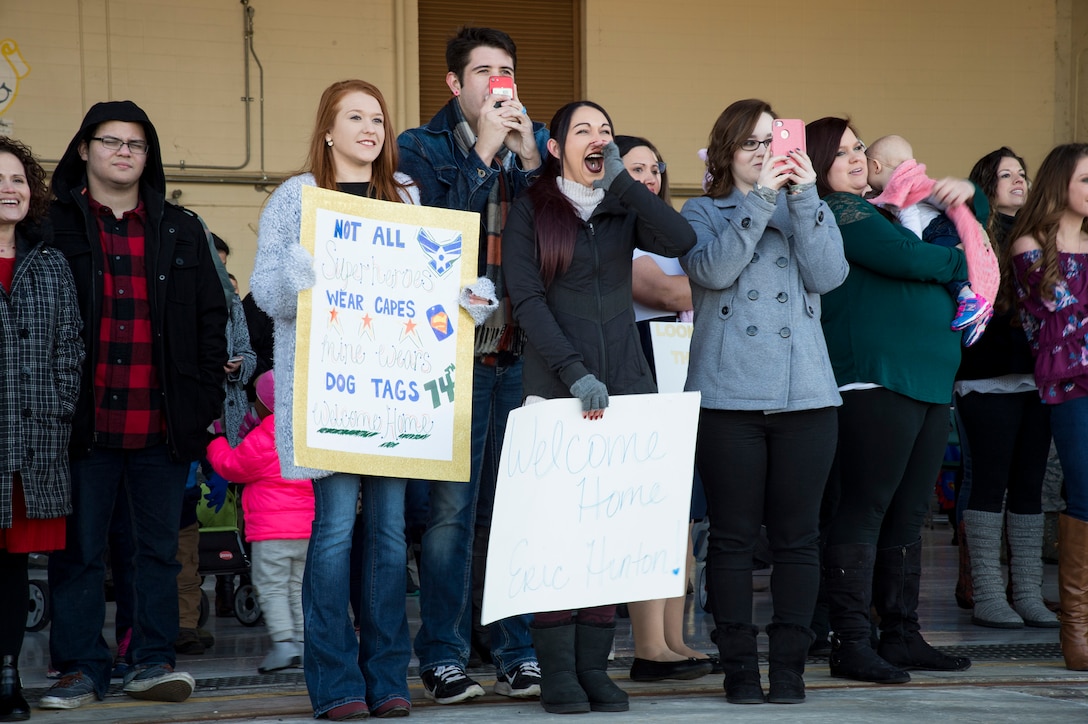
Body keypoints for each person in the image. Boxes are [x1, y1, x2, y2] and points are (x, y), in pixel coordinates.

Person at [502, 100, 696, 714]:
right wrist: (575, 373)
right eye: (582, 131)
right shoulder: (532, 208)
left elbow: (681, 238)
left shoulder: (619, 205)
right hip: (559, 392)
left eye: (604, 131)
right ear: (554, 147)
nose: (596, 138)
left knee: (611, 536)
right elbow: (526, 300)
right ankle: (560, 672)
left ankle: (594, 669)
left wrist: (623, 182)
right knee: (560, 540)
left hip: (628, 394)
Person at [42, 100, 228, 709]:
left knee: (157, 553)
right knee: (79, 553)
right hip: (82, 425)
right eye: (111, 141)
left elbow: (210, 319)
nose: (124, 152)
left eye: (137, 144)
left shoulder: (180, 227)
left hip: (161, 424)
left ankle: (151, 660)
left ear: (147, 157)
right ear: (84, 149)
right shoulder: (54, 226)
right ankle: (80, 668)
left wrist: (200, 401)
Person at [250, 78, 417, 721]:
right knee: (334, 535)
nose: (371, 129)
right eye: (356, 117)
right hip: (329, 396)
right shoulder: (298, 197)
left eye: (378, 118)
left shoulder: (405, 197)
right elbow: (266, 293)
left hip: (396, 397)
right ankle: (337, 684)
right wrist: (299, 271)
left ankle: (387, 679)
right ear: (328, 128)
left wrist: (462, 298)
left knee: (388, 539)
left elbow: (426, 286)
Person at [397, 25, 547, 704]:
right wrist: (484, 154)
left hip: (520, 358)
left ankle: (517, 650)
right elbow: (435, 243)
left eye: (506, 68)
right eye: (482, 70)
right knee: (451, 516)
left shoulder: (534, 146)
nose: (497, 81)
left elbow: (563, 248)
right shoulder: (419, 150)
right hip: (451, 362)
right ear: (456, 85)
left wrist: (534, 168)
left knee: (514, 512)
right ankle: (445, 655)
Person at [680, 100, 847, 705]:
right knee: (730, 537)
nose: (762, 152)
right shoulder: (701, 209)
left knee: (798, 539)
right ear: (725, 151)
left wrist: (803, 197)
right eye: (749, 143)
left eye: (770, 140)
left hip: (805, 394)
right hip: (728, 396)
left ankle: (790, 670)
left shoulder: (810, 205)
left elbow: (828, 275)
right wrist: (759, 204)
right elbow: (714, 271)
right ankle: (740, 670)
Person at [806, 116, 975, 685]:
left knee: (908, 514)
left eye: (861, 149)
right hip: (875, 379)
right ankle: (851, 641)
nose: (857, 158)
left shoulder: (885, 211)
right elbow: (909, 261)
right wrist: (958, 265)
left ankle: (901, 634)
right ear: (817, 161)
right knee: (866, 508)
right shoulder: (838, 210)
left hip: (925, 381)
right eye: (844, 152)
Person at [615, 134, 713, 684]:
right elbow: (673, 296)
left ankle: (675, 640)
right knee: (651, 518)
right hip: (643, 374)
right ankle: (649, 647)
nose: (649, 178)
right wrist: (725, 274)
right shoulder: (622, 239)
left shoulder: (673, 240)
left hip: (681, 381)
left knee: (681, 520)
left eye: (655, 169)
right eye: (636, 169)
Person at [953, 148, 1057, 629]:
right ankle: (990, 594)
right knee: (990, 483)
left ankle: (1029, 593)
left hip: (1037, 377)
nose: (1018, 180)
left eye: (1022, 173)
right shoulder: (973, 233)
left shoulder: (1045, 235)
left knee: (1030, 486)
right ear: (985, 185)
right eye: (1005, 175)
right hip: (985, 374)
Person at [0, 137, 84, 722]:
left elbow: (70, 348)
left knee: (10, 567)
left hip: (33, 443)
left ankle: (8, 677)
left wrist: (58, 407)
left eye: (19, 180)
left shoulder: (49, 262)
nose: (10, 189)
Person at [1006, 143, 1088, 670]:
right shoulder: (1030, 243)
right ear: (1061, 184)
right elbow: (1064, 314)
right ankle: (1077, 627)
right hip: (1072, 383)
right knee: (1083, 490)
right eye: (1087, 179)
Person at [205, 370, 313, 674]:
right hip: (306, 528)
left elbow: (232, 466)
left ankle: (283, 645)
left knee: (271, 586)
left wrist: (216, 442)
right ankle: (305, 644)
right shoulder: (305, 435)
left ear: (267, 405)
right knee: (298, 587)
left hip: (271, 533)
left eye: (256, 399)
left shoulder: (265, 436)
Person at [866, 135, 997, 345]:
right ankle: (978, 314)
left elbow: (909, 216)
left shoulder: (899, 185)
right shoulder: (917, 179)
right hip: (947, 226)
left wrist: (916, 247)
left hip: (935, 231)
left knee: (946, 267)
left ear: (875, 166)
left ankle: (969, 299)